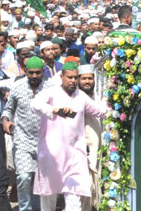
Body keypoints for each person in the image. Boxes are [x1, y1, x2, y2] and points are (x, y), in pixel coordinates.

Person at [30, 62, 107, 211]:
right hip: (52, 155)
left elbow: (99, 111)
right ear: (62, 77)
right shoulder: (51, 93)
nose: (73, 80)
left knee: (74, 200)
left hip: (74, 156)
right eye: (69, 77)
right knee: (48, 198)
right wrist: (54, 110)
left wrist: (117, 106)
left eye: (75, 77)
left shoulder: (80, 96)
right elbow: (35, 104)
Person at [1, 56, 49, 211]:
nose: (34, 76)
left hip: (45, 140)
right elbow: (8, 109)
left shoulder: (50, 88)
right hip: (22, 139)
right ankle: (25, 208)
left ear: (43, 72)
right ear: (25, 72)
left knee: (39, 179)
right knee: (23, 177)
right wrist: (6, 121)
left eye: (38, 73)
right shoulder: (17, 87)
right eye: (31, 73)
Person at [77, 64, 101, 211]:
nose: (87, 82)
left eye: (90, 78)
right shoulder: (74, 98)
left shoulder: (99, 98)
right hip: (80, 148)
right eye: (84, 78)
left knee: (96, 184)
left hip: (97, 147)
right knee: (84, 186)